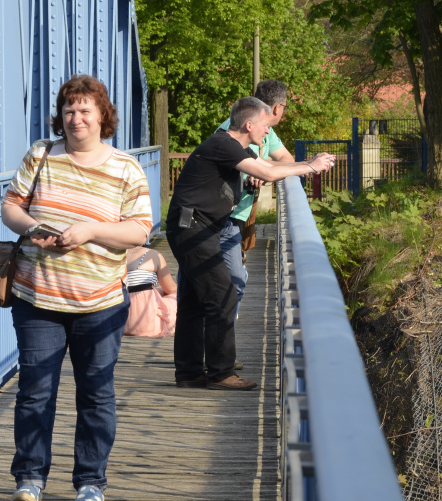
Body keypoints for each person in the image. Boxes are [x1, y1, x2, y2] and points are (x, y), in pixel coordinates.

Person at [1, 75, 153, 501]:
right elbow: (11, 205)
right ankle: (29, 477)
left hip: (100, 302)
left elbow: (140, 229)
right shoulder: (41, 155)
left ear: (102, 116)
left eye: (85, 110)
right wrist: (32, 228)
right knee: (35, 390)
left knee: (96, 392)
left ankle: (91, 480)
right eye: (69, 110)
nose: (76, 118)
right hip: (38, 297)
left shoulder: (126, 167)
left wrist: (90, 230)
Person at [167, 97, 333, 390]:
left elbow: (265, 167)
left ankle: (190, 372)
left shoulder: (232, 147)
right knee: (223, 294)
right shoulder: (224, 144)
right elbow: (268, 171)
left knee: (194, 301)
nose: (268, 133)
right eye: (265, 126)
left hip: (194, 227)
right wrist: (310, 166)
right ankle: (221, 373)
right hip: (192, 229)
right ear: (249, 124)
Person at [215, 79, 295, 312]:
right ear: (278, 107)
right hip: (222, 214)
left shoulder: (267, 133)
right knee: (230, 279)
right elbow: (228, 160)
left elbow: (287, 160)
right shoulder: (234, 128)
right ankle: (223, 325)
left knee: (232, 274)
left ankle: (223, 322)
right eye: (285, 108)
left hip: (241, 212)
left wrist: (262, 169)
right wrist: (260, 168)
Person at [123, 245, 178, 337]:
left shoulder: (111, 255)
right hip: (147, 322)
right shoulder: (152, 254)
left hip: (120, 321)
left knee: (156, 291)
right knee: (176, 294)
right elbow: (171, 289)